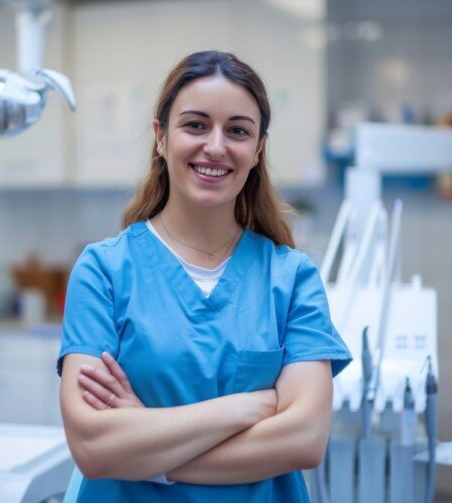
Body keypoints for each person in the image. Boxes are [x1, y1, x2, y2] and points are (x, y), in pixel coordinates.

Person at [57, 50, 352, 502]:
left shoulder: (291, 278)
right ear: (161, 137)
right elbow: (95, 448)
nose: (215, 146)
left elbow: (304, 440)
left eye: (237, 130)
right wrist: (248, 406)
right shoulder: (104, 272)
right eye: (195, 125)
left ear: (257, 150)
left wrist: (147, 447)